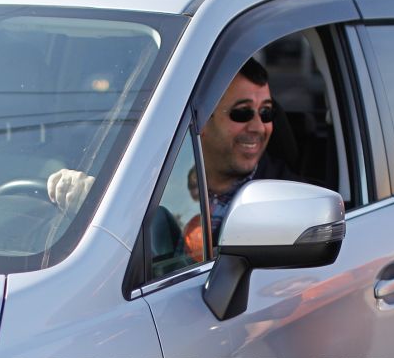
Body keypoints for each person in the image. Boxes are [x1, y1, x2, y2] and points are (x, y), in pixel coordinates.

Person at [51, 58, 282, 262]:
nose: (258, 127)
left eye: (267, 113)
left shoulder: (283, 201)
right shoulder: (153, 176)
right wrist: (91, 201)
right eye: (242, 113)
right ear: (203, 121)